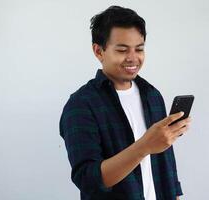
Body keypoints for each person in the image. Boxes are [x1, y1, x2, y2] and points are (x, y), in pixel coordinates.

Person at [59, 5, 191, 200]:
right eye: (122, 50)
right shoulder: (80, 105)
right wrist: (144, 146)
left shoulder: (152, 95)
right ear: (98, 51)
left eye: (139, 49)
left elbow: (166, 163)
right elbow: (89, 180)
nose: (133, 58)